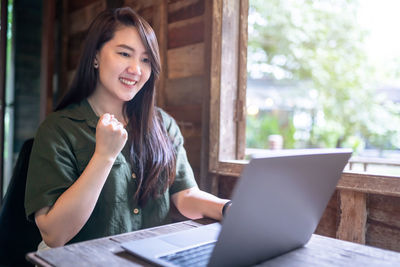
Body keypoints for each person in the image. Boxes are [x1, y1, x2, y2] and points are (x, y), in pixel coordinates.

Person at [24, 7, 231, 249]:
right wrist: (104, 155)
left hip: (150, 257)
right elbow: (54, 234)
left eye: (145, 59)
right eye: (124, 54)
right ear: (95, 56)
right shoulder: (58, 129)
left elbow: (184, 195)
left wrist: (229, 209)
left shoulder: (163, 124)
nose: (136, 69)